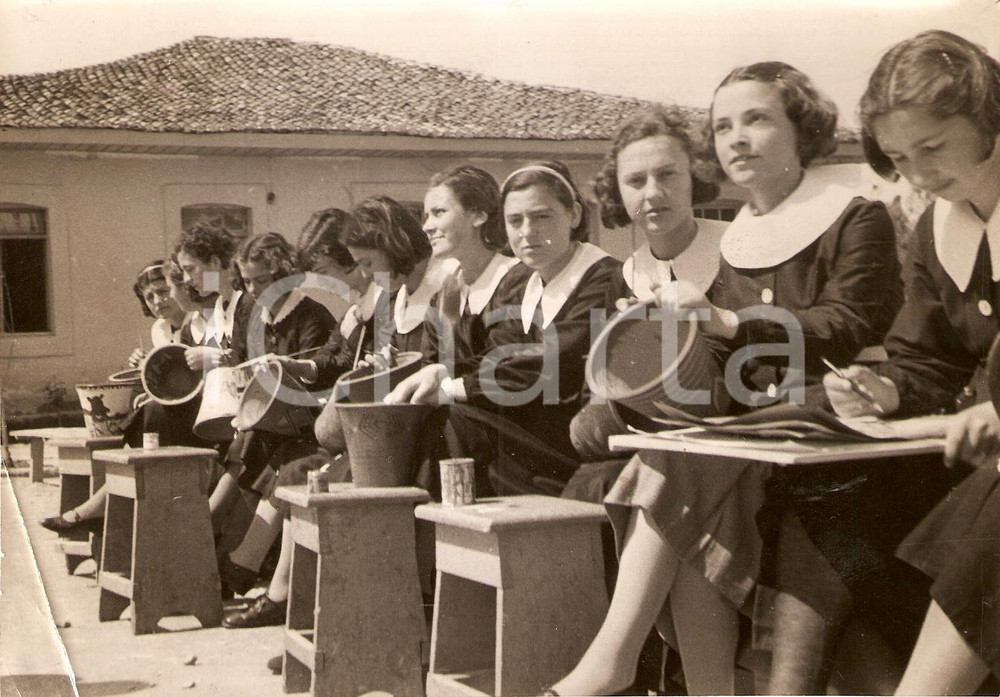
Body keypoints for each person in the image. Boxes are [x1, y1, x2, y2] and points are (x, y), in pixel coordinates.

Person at [550, 63, 905, 696]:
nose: (737, 138)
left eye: (757, 119)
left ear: (804, 127)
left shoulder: (856, 216)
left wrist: (725, 321)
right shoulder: (743, 236)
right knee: (683, 475)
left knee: (683, 471)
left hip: (846, 428)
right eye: (723, 127)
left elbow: (844, 325)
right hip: (765, 437)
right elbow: (731, 375)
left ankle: (609, 665)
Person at [826, 30, 1000, 694]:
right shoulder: (936, 230)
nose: (920, 174)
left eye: (933, 147)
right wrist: (886, 389)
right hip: (969, 458)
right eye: (899, 157)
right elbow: (928, 358)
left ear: (989, 116)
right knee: (832, 506)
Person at [388, 160, 623, 497]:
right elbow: (498, 359)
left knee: (450, 425)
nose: (527, 231)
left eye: (541, 216)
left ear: (573, 215)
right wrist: (438, 372)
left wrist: (451, 386)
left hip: (575, 443)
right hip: (531, 432)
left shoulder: (601, 277)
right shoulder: (530, 284)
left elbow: (546, 364)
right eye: (515, 220)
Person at [560, 105, 727, 502]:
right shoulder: (625, 275)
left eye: (667, 174)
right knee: (590, 485)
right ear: (617, 192)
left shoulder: (737, 252)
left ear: (695, 177)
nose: (653, 193)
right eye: (635, 180)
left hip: (729, 443)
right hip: (656, 442)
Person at [213, 232, 337, 598]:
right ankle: (235, 555)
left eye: (262, 280)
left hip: (306, 422)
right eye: (247, 281)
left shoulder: (311, 315)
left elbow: (318, 378)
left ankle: (228, 549)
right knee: (249, 440)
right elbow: (237, 364)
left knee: (259, 448)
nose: (254, 289)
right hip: (266, 422)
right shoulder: (251, 312)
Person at [39, 260, 195, 533]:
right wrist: (145, 366)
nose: (158, 301)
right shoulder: (159, 329)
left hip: (199, 417)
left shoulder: (197, 319)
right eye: (149, 297)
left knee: (148, 415)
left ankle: (95, 509)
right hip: (176, 413)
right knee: (135, 414)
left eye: (162, 291)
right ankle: (101, 507)